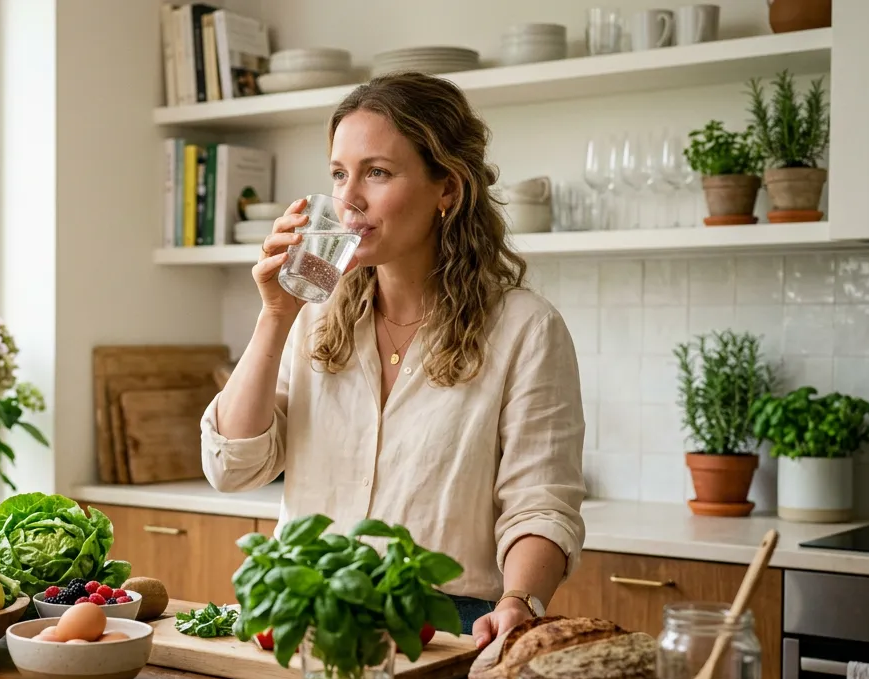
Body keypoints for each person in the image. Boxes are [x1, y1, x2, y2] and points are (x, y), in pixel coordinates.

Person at [199, 72, 586, 650]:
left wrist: (519, 600)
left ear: (447, 188)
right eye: (339, 174)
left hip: (443, 627)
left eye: (377, 172)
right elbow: (233, 467)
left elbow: (541, 503)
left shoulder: (525, 328)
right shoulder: (310, 315)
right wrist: (275, 315)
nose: (349, 198)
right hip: (306, 612)